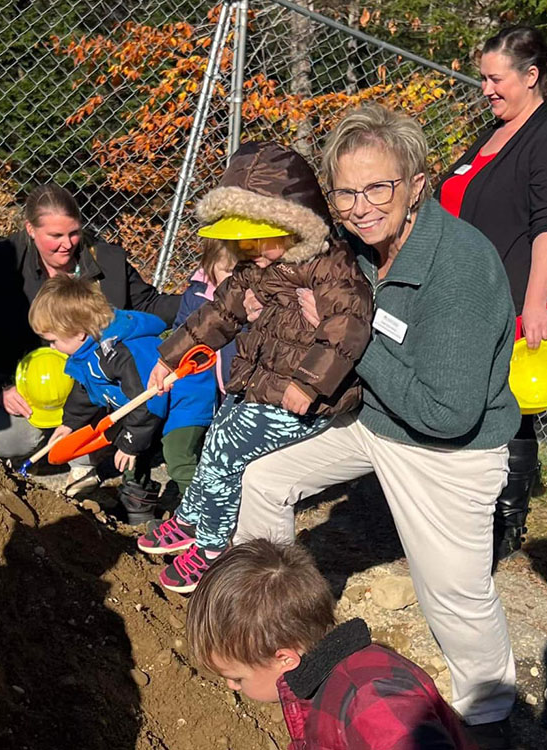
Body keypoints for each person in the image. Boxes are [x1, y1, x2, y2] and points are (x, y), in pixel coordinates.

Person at [233, 105, 520, 748]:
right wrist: (251, 294)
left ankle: (492, 716)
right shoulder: (359, 251)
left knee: (451, 598)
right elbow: (298, 286)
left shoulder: (458, 269)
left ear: (418, 183)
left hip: (448, 451)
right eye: (345, 191)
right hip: (379, 423)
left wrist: (346, 340)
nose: (360, 206)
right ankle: (272, 637)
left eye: (378, 187)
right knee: (264, 480)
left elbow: (448, 413)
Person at [139, 141, 373, 594]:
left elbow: (347, 329)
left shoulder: (329, 268)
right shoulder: (261, 265)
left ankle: (212, 548)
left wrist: (308, 384)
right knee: (218, 435)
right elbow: (218, 314)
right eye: (240, 241)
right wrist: (170, 358)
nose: (248, 251)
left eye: (257, 239)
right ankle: (191, 519)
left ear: (293, 224)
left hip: (308, 397)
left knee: (226, 448)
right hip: (262, 384)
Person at [437, 25, 547, 565]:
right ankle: (462, 507)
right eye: (482, 78)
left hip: (525, 300)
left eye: (494, 79)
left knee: (508, 410)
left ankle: (504, 524)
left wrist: (533, 304)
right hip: (471, 297)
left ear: (531, 77)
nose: (485, 90)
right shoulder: (492, 132)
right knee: (468, 402)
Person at [0, 183, 179, 488]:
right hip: (28, 386)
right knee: (8, 438)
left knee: (128, 412)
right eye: (54, 236)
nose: (67, 244)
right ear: (30, 229)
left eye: (73, 233)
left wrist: (203, 303)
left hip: (94, 381)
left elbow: (148, 305)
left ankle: (88, 463)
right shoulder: (1, 263)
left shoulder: (106, 260)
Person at [186, 539, 474, 750]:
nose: (232, 686)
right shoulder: (318, 687)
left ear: (285, 659)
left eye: (237, 677)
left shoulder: (372, 699)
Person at [29, 276, 215, 523]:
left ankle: (205, 515)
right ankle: (139, 504)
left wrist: (130, 443)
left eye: (53, 340)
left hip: (183, 400)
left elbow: (149, 401)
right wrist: (69, 424)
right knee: (131, 452)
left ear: (80, 333)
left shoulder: (119, 353)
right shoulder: (86, 352)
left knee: (178, 457)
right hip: (146, 407)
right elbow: (86, 390)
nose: (51, 347)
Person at [174, 237, 239, 400]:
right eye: (229, 271)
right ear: (210, 265)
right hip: (202, 385)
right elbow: (181, 332)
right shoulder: (195, 295)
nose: (234, 279)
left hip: (236, 385)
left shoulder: (248, 300)